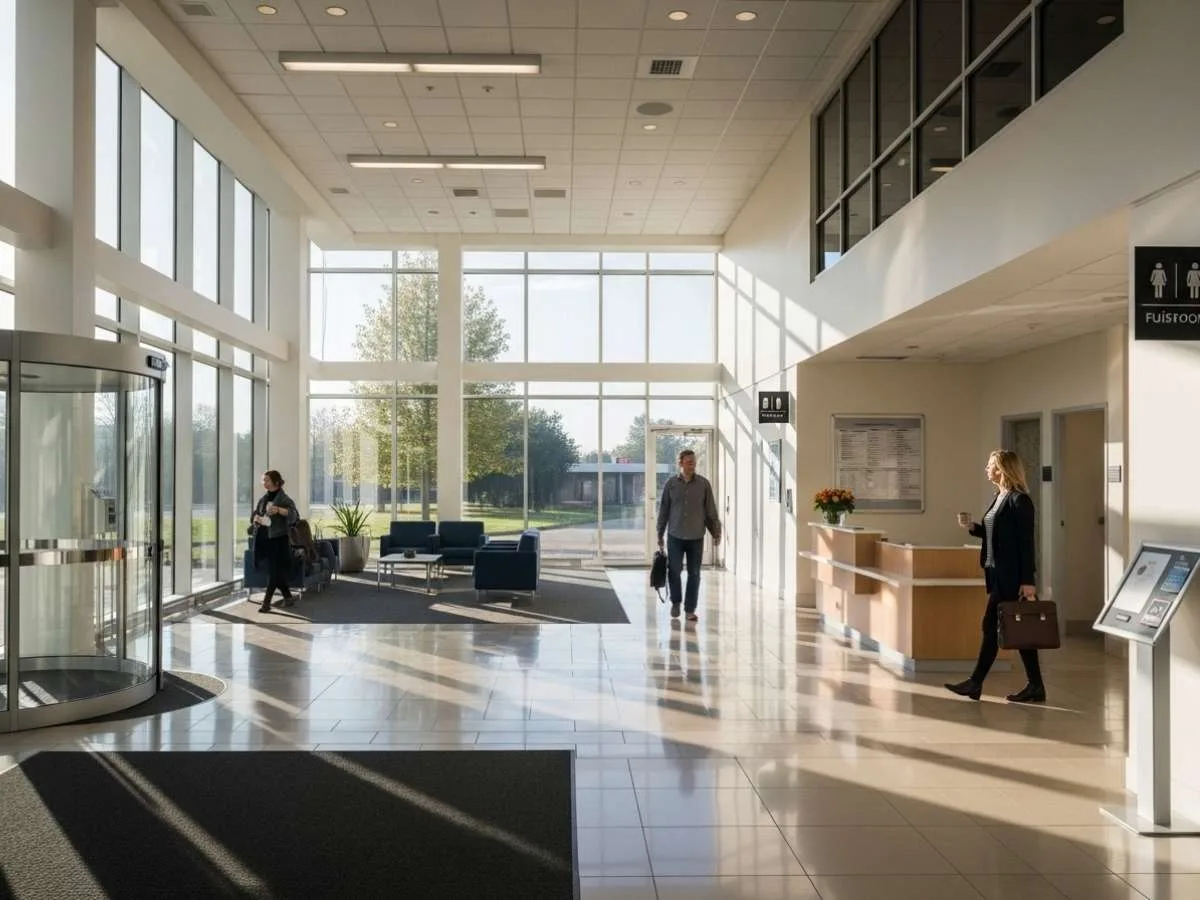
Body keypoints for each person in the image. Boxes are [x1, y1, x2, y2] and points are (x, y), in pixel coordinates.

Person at [946, 449, 1046, 703]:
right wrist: (973, 528)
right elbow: (997, 536)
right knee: (1018, 628)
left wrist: (1028, 581)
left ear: (1002, 469)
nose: (986, 469)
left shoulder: (1019, 500)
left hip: (1012, 576)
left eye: (990, 465)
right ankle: (1036, 686)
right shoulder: (999, 496)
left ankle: (975, 683)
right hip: (996, 572)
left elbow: (1026, 543)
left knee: (991, 626)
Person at [656, 449, 722, 622]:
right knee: (674, 571)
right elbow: (664, 510)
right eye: (689, 462)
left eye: (694, 462)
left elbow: (710, 511)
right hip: (675, 536)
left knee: (695, 573)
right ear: (681, 463)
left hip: (696, 536)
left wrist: (716, 532)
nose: (692, 465)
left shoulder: (703, 484)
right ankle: (676, 602)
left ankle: (690, 610)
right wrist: (659, 533)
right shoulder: (671, 484)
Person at [250, 469, 299, 613]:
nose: (264, 483)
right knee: (274, 571)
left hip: (279, 539)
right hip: (265, 539)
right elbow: (255, 515)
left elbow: (294, 516)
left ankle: (266, 603)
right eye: (263, 480)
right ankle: (288, 596)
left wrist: (279, 510)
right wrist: (256, 520)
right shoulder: (263, 499)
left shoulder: (284, 499)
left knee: (274, 571)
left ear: (276, 482)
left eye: (267, 480)